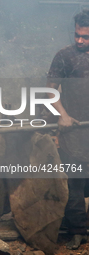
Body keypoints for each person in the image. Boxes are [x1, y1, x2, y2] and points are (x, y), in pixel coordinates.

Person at [47, 9, 89, 250]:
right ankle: (77, 231)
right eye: (77, 35)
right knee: (74, 181)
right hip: (74, 129)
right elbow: (50, 91)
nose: (79, 40)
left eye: (85, 36)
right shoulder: (65, 56)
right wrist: (62, 115)